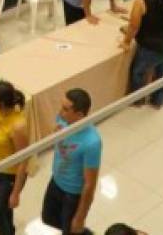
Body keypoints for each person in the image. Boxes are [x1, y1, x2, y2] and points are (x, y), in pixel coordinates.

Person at [42, 88, 101, 235]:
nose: (60, 112)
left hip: (72, 194)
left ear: (80, 115)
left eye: (65, 109)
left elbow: (90, 184)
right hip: (56, 181)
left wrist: (80, 217)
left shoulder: (92, 142)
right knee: (47, 218)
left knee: (71, 230)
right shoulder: (63, 119)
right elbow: (56, 130)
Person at [0, 81, 29, 235]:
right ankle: (10, 230)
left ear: (1, 102)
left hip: (10, 175)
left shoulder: (18, 126)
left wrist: (16, 193)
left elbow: (24, 160)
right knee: (4, 209)